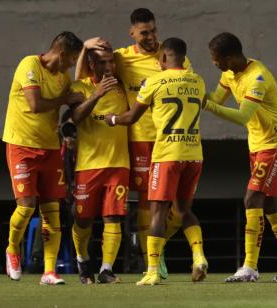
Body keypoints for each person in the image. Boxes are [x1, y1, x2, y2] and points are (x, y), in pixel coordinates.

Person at [75, 8, 192, 277]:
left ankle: (155, 245)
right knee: (146, 201)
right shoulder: (119, 59)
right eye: (144, 32)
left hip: (171, 139)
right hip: (138, 139)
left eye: (153, 30)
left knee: (178, 206)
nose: (151, 37)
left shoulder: (171, 55)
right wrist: (84, 48)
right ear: (132, 33)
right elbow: (84, 76)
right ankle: (153, 257)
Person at [203, 32, 277, 282]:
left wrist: (205, 105)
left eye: (215, 59)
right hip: (257, 145)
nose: (214, 63)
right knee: (272, 205)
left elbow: (241, 116)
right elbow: (217, 98)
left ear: (229, 58)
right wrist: (192, 91)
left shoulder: (257, 78)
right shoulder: (229, 73)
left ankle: (249, 268)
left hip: (275, 144)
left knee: (252, 198)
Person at [106, 37, 208, 286]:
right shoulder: (198, 81)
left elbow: (131, 117)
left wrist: (111, 120)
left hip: (166, 155)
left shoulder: (154, 81)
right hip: (194, 154)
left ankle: (152, 270)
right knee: (183, 210)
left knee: (157, 211)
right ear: (184, 58)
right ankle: (199, 256)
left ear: (163, 58)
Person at [2, 31, 85, 285]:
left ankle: (49, 272)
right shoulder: (29, 65)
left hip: (49, 148)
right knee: (26, 205)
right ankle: (12, 250)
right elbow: (35, 105)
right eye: (71, 59)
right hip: (21, 145)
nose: (71, 65)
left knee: (52, 212)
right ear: (61, 53)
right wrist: (64, 99)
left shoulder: (62, 76)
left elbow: (76, 91)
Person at [69, 46, 130, 284]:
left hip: (118, 163)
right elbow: (75, 118)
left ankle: (106, 269)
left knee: (113, 217)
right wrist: (96, 94)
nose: (108, 67)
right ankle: (83, 262)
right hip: (88, 164)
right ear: (91, 65)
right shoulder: (80, 87)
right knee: (83, 219)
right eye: (102, 63)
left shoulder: (121, 87)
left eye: (111, 62)